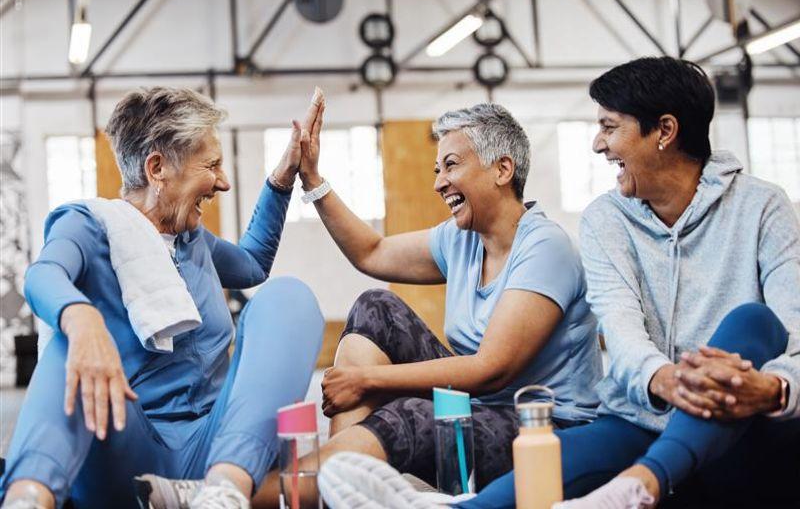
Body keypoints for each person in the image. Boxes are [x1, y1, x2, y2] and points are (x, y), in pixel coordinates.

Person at [316, 57, 800, 509]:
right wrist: (662, 378)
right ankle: (358, 489)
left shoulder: (762, 208)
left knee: (752, 321)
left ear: (665, 132)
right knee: (507, 486)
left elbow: (792, 333)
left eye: (610, 127)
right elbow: (624, 331)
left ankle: (643, 482)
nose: (597, 144)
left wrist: (775, 389)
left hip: (736, 415)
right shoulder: (606, 219)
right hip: (640, 416)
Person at [252, 97, 603, 507]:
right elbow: (372, 252)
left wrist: (367, 380)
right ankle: (337, 493)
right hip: (481, 408)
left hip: (546, 431)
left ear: (502, 169)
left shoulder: (546, 247)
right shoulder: (461, 239)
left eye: (451, 165)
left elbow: (491, 369)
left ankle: (251, 496)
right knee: (376, 308)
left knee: (413, 419)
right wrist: (312, 179)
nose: (438, 182)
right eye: (439, 169)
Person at [0, 88, 325, 509]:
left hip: (219, 449)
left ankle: (225, 492)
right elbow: (43, 275)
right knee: (68, 344)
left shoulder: (193, 241)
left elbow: (251, 266)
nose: (223, 182)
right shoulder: (90, 225)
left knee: (288, 295)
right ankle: (28, 498)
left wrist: (282, 180)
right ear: (157, 168)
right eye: (211, 166)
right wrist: (82, 319)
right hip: (125, 452)